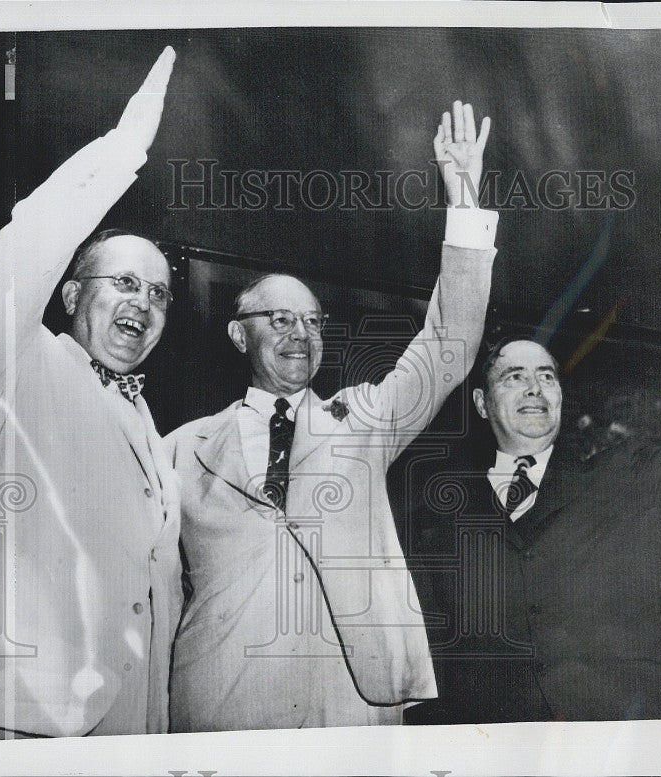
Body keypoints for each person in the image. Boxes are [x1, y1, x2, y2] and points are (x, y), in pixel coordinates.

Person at [408, 225, 661, 722]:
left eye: (547, 376)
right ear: (481, 403)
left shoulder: (624, 476)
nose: (535, 388)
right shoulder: (444, 517)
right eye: (514, 376)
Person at [166, 102, 498, 730]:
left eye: (313, 321)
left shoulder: (363, 419)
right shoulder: (180, 449)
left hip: (350, 705)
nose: (301, 334)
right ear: (240, 336)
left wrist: (463, 200)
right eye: (281, 319)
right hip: (222, 706)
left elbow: (449, 342)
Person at [0, 48, 182, 739]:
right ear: (69, 294)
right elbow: (11, 258)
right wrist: (124, 150)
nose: (144, 301)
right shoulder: (19, 364)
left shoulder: (151, 424)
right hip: (2, 709)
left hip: (121, 723)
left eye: (158, 292)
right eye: (123, 282)